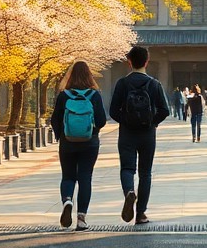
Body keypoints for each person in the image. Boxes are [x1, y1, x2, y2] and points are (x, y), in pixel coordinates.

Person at [109, 45, 170, 225]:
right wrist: (151, 122)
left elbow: (113, 111)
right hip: (147, 135)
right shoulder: (154, 84)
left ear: (129, 62)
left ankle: (129, 191)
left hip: (127, 134)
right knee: (145, 173)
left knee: (127, 169)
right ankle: (141, 213)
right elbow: (164, 110)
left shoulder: (122, 83)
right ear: (147, 61)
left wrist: (126, 121)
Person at [51, 61, 107, 231]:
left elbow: (55, 119)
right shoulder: (94, 95)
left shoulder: (64, 95)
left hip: (68, 142)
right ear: (89, 75)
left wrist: (61, 136)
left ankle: (67, 200)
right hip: (89, 143)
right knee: (85, 177)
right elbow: (101, 120)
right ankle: (81, 219)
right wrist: (92, 131)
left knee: (68, 176)